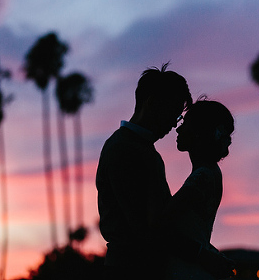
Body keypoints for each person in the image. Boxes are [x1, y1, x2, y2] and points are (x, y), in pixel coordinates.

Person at [96, 64, 232, 280]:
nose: (174, 125)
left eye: (179, 118)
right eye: (174, 114)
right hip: (131, 269)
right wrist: (202, 255)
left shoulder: (140, 149)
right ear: (152, 104)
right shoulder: (126, 148)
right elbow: (147, 227)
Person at [165, 99, 235, 279]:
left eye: (186, 124)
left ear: (198, 133)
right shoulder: (211, 173)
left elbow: (161, 223)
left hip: (186, 270)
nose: (178, 129)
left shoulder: (201, 178)